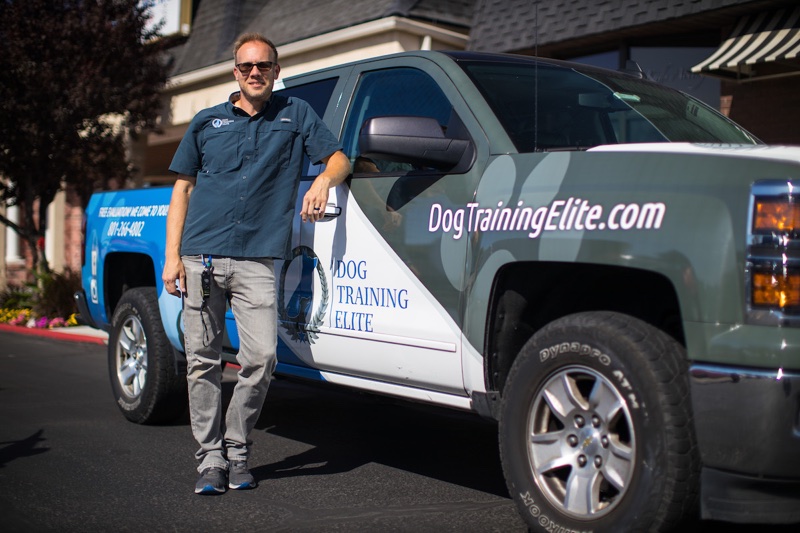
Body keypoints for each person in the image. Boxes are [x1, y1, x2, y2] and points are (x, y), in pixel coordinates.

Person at [162, 32, 350, 495]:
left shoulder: (296, 114)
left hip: (257, 259)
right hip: (201, 256)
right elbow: (182, 190)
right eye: (246, 66)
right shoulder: (206, 122)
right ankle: (211, 461)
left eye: (263, 66)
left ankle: (238, 448)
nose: (254, 73)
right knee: (202, 361)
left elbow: (341, 158)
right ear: (234, 71)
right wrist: (172, 259)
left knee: (261, 358)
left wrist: (323, 179)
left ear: (275, 71)